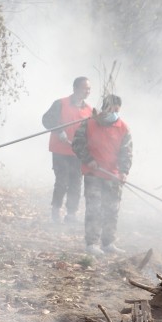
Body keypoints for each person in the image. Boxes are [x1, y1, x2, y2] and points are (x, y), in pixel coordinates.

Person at [72, 95, 133, 256]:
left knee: (112, 209)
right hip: (93, 173)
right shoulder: (89, 123)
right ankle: (92, 243)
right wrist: (89, 160)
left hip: (113, 176)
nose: (114, 113)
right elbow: (77, 144)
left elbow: (126, 153)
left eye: (117, 111)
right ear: (104, 108)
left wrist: (124, 172)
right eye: (111, 110)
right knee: (94, 209)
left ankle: (108, 242)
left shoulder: (123, 127)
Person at [41, 77, 93, 224]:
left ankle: (71, 214)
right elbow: (46, 119)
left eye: (89, 89)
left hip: (77, 152)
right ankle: (55, 211)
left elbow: (91, 131)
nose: (87, 92)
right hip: (60, 150)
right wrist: (59, 131)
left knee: (76, 182)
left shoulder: (89, 110)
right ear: (75, 88)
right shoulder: (60, 103)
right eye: (85, 88)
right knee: (62, 181)